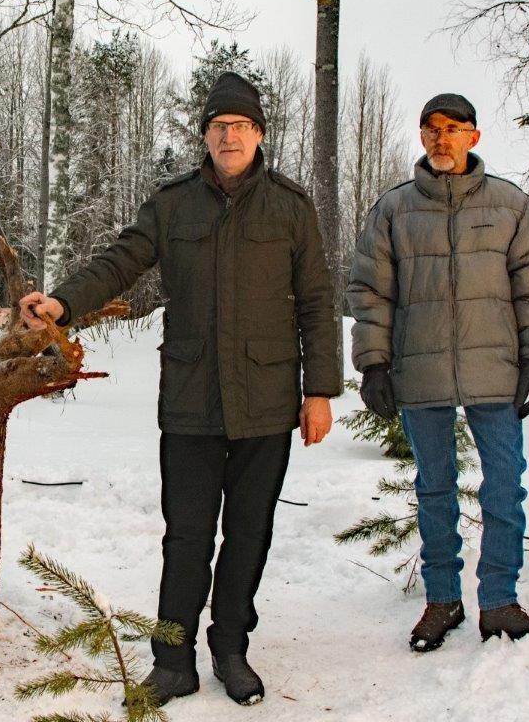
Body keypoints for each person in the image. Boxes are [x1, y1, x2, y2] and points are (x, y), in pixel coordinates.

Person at [19, 71, 340, 706]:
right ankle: (173, 660)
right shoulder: (172, 205)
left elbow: (318, 303)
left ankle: (231, 648)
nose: (230, 136)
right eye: (219, 127)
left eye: (241, 127)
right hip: (192, 397)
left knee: (250, 530)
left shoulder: (291, 207)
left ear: (260, 136)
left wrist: (320, 390)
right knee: (186, 534)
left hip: (268, 397)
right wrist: (62, 302)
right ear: (205, 135)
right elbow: (119, 262)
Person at [347, 93, 529, 652]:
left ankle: (499, 601)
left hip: (497, 371)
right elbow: (371, 292)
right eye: (430, 129)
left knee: (504, 488)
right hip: (420, 373)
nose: (441, 139)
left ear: (475, 136)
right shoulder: (394, 210)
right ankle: (442, 600)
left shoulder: (512, 206)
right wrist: (373, 363)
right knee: (435, 489)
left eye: (453, 128)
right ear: (421, 137)